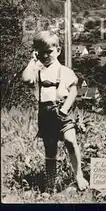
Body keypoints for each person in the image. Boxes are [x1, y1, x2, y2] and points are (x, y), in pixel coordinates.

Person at [21, 31, 89, 193]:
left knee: (70, 141)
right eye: (41, 52)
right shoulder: (37, 72)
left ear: (58, 51)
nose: (46, 56)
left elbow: (73, 92)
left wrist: (65, 109)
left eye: (49, 52)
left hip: (63, 112)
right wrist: (32, 62)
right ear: (37, 53)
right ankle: (50, 185)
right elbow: (25, 79)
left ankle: (78, 175)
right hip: (46, 116)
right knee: (50, 151)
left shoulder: (65, 71)